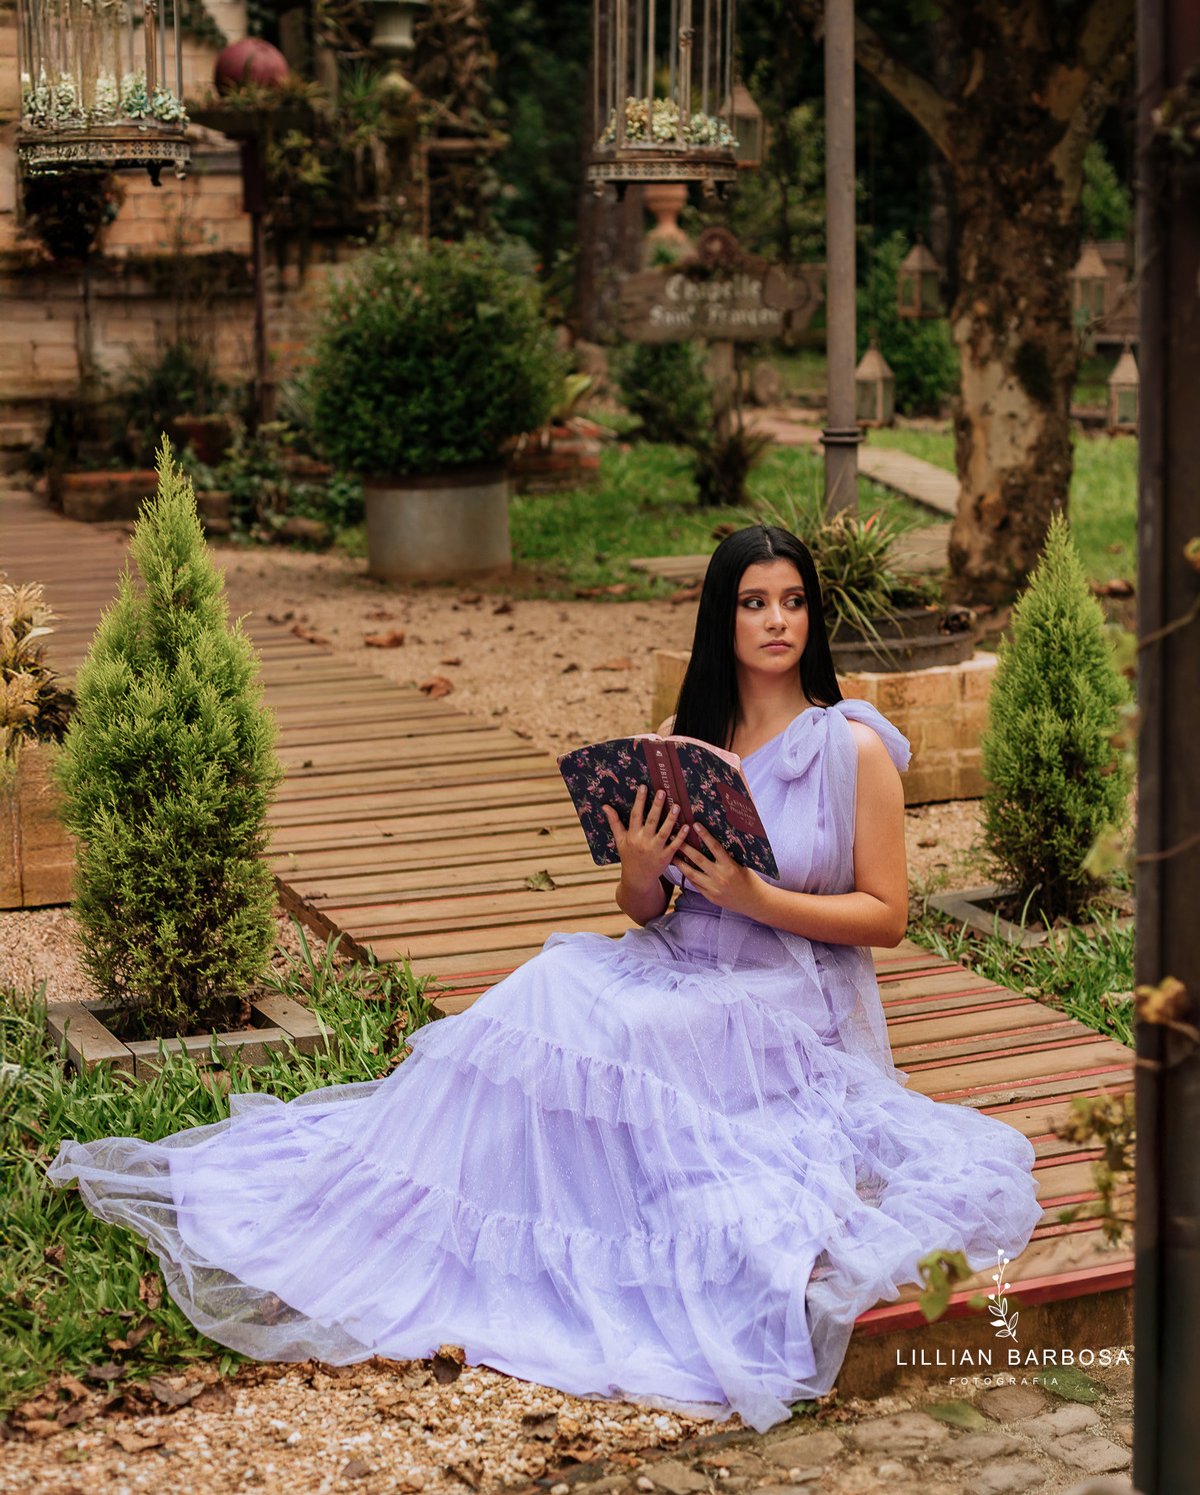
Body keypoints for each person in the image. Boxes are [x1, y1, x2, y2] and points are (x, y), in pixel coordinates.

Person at [49, 524, 1041, 1433]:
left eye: (791, 601)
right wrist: (646, 871)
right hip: (675, 960)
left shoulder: (854, 747)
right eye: (753, 602)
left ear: (811, 617)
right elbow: (643, 913)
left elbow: (889, 916)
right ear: (721, 618)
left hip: (784, 992)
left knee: (632, 1040)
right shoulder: (681, 736)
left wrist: (752, 897)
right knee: (542, 996)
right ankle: (417, 1220)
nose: (776, 621)